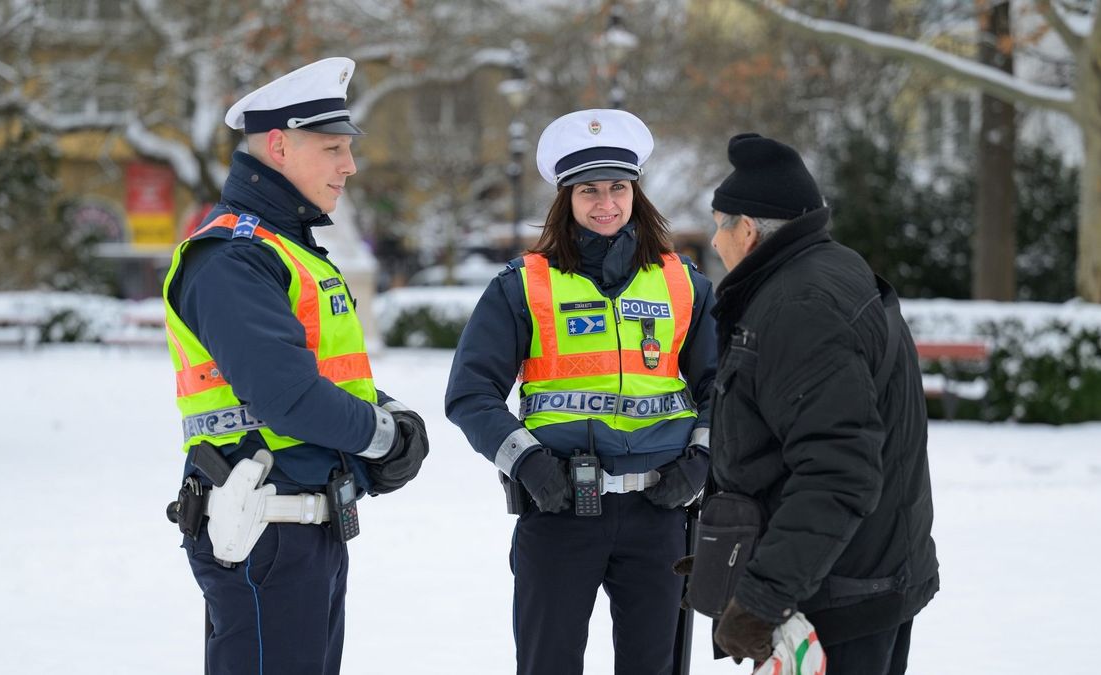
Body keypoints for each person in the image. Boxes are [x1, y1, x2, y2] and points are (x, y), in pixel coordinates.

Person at [162, 57, 429, 674]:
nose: (350, 165)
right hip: (264, 528)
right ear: (279, 147)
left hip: (301, 526)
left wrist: (388, 413)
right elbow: (287, 396)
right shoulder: (233, 257)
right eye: (333, 148)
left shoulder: (286, 251)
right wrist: (386, 438)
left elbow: (328, 376)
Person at [444, 108, 718, 674]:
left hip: (659, 510)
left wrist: (702, 463)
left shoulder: (683, 283)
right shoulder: (523, 284)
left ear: (635, 193)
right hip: (560, 507)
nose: (605, 203)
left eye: (618, 187)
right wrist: (528, 464)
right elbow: (471, 393)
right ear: (565, 198)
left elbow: (722, 388)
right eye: (588, 189)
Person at [701, 133, 939, 675]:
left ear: (748, 229)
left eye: (720, 223)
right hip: (855, 577)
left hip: (838, 595)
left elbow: (838, 470)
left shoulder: (799, 307)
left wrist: (763, 597)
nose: (715, 241)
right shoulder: (823, 271)